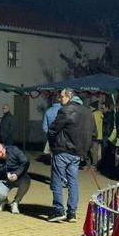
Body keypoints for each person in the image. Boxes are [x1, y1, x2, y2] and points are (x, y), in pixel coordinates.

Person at [47, 89, 95, 223]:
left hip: (63, 150)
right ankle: (72, 212)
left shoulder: (66, 110)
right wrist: (85, 151)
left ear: (69, 96)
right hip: (77, 153)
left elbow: (53, 129)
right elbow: (93, 134)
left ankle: (58, 209)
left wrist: (52, 145)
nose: (59, 99)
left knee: (57, 180)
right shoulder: (88, 112)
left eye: (61, 97)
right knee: (73, 181)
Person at [0, 142, 30, 214]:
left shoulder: (14, 150)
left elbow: (25, 162)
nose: (3, 152)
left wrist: (17, 174)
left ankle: (15, 202)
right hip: (4, 181)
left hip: (18, 177)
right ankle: (3, 200)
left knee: (26, 180)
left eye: (3, 149)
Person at [89, 102, 103, 170]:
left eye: (90, 107)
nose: (89, 108)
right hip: (100, 134)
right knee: (97, 150)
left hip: (95, 135)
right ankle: (96, 164)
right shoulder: (100, 113)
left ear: (93, 107)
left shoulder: (93, 114)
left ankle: (94, 165)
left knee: (94, 150)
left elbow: (94, 126)